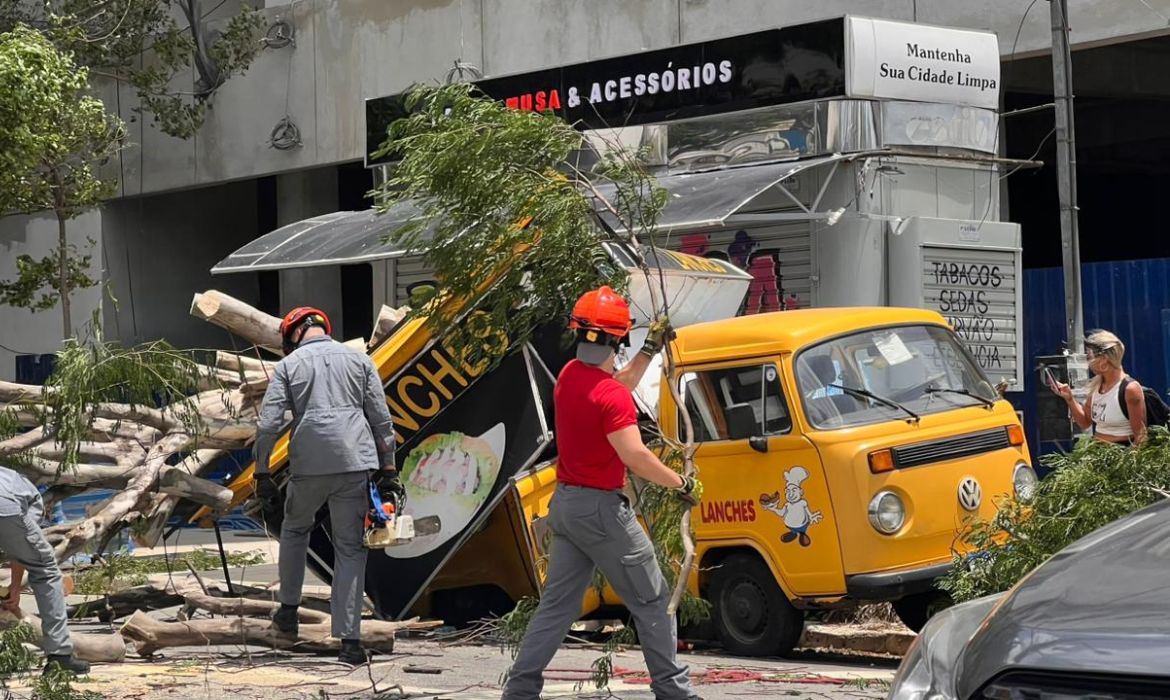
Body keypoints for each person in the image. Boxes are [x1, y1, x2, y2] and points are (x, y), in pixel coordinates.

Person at [502, 286, 701, 700]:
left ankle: (519, 691)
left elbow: (615, 386)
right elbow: (635, 454)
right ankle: (674, 692)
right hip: (602, 511)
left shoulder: (571, 377)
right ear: (618, 339)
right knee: (653, 601)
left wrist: (649, 349)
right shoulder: (609, 395)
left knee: (556, 608)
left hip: (567, 506)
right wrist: (681, 483)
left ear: (579, 334)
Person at [252, 307, 402, 665]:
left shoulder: (288, 367)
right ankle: (350, 644)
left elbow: (269, 424)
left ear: (292, 336)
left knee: (294, 529)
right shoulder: (359, 361)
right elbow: (382, 420)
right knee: (350, 549)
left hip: (308, 464)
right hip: (355, 462)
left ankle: (288, 610)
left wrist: (261, 473)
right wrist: (389, 469)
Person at [0, 467, 89, 675]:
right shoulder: (33, 499)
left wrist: (14, 587)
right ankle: (60, 656)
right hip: (3, 505)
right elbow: (26, 552)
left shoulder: (10, 477)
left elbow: (19, 550)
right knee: (46, 569)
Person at [1054, 330, 1147, 445]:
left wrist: (1128, 461)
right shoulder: (1096, 386)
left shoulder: (1130, 389)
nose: (1088, 363)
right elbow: (1085, 422)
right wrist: (1069, 399)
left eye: (1089, 357)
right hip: (1097, 452)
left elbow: (1141, 436)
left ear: (1104, 359)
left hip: (1122, 453)